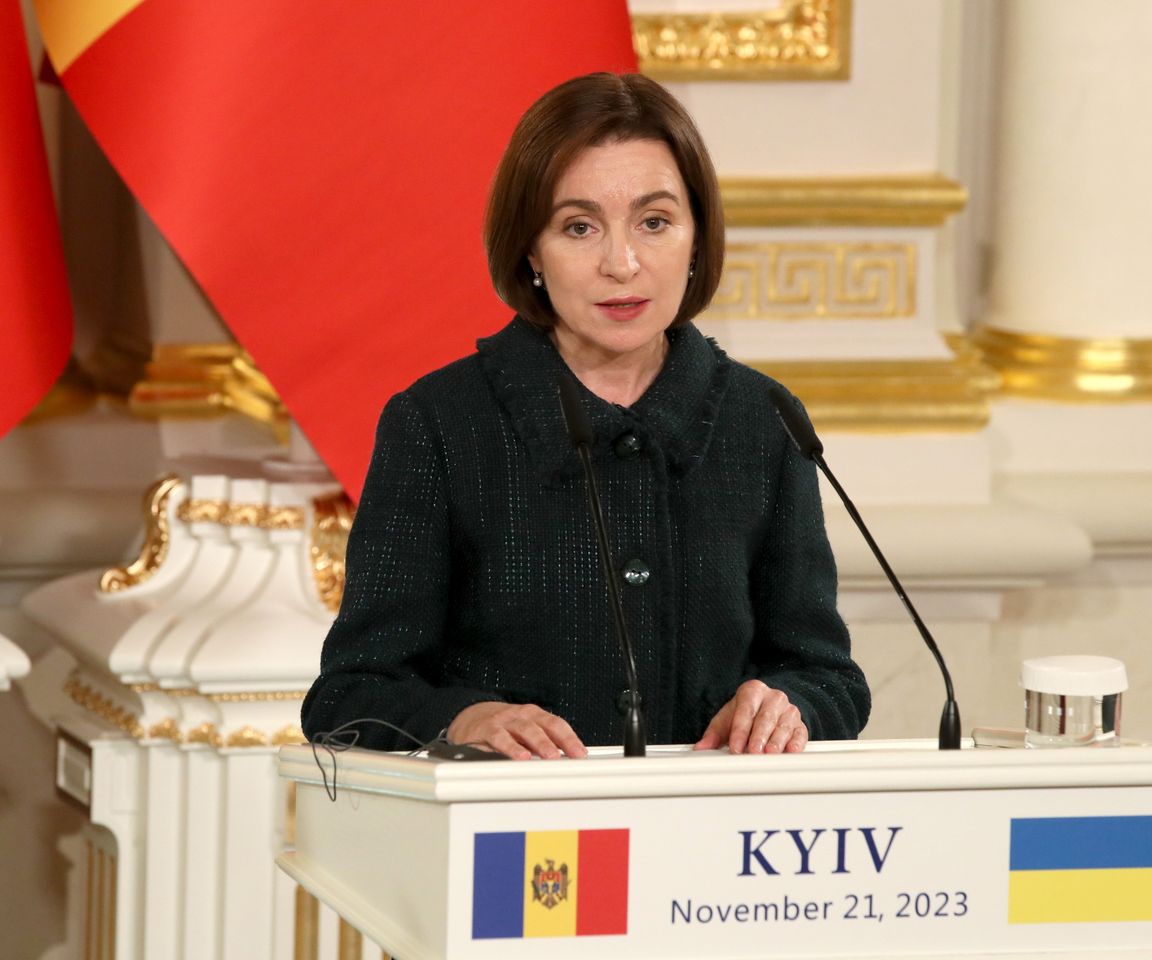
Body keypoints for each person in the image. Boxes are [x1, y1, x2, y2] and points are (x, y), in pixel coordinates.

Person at [301, 72, 870, 759]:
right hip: (512, 848)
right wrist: (464, 718)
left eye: (654, 222)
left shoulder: (763, 421)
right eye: (579, 227)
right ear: (531, 251)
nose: (622, 263)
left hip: (713, 843)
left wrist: (789, 705)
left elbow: (829, 677)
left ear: (697, 238)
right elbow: (348, 697)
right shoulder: (438, 425)